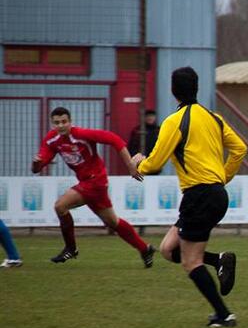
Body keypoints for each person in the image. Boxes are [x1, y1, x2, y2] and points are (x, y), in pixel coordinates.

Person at [133, 67, 247, 328]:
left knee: (190, 261)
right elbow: (239, 149)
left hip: (200, 195)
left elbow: (154, 164)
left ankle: (223, 314)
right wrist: (223, 177)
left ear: (173, 91)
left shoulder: (174, 121)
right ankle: (219, 260)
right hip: (215, 194)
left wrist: (137, 163)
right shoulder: (214, 118)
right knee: (167, 249)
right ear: (196, 88)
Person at [31, 107, 155, 267]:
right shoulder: (51, 140)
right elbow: (38, 166)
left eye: (64, 122)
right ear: (52, 124)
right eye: (56, 123)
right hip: (87, 183)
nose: (61, 125)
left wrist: (130, 165)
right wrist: (36, 163)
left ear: (70, 122)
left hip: (96, 181)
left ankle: (71, 248)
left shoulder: (81, 135)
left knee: (60, 206)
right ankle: (145, 248)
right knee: (113, 222)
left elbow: (114, 140)